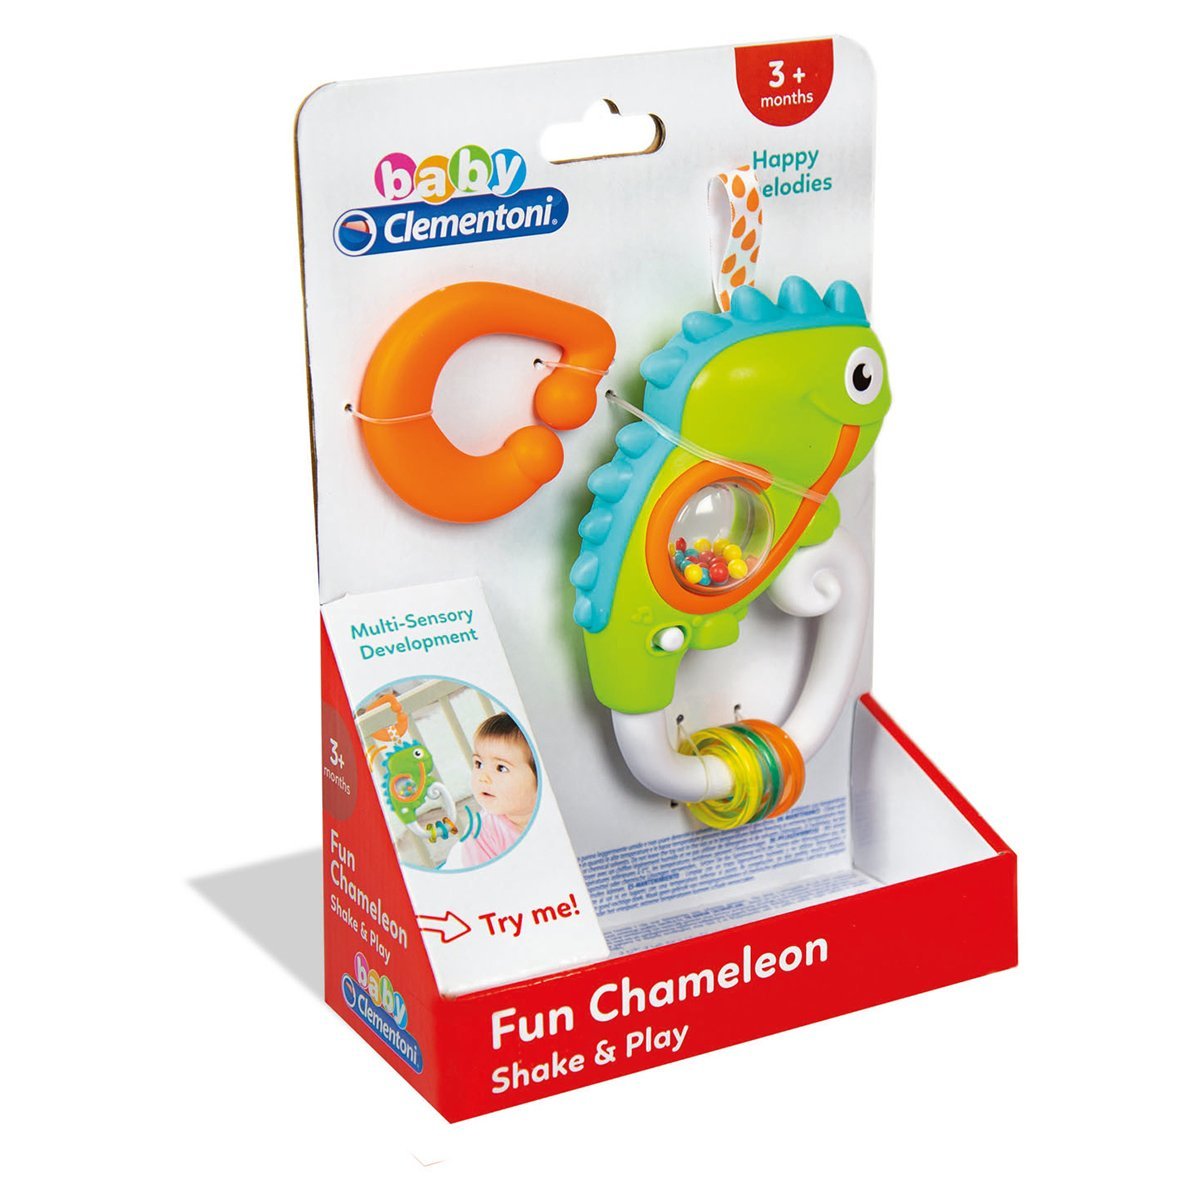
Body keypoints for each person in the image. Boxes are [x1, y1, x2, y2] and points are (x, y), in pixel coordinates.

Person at [443, 714, 537, 868]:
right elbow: (482, 880)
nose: (483, 777)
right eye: (479, 764)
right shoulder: (481, 834)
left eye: (501, 768)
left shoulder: (560, 814)